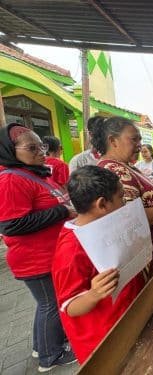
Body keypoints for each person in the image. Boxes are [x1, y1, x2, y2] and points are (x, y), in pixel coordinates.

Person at [0, 124, 77, 372]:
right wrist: (62, 211)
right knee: (50, 304)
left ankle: (42, 345)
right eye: (31, 148)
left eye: (41, 146)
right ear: (11, 151)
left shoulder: (34, 173)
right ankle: (50, 356)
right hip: (34, 259)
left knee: (47, 304)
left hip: (50, 254)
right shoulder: (11, 179)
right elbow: (11, 224)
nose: (41, 152)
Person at [52, 166, 145, 364]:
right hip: (104, 340)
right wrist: (94, 294)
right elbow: (69, 307)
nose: (125, 203)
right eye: (121, 198)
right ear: (102, 204)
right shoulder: (71, 249)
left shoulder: (109, 224)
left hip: (128, 320)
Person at [92, 116, 153, 279]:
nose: (139, 145)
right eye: (134, 139)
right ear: (113, 141)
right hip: (142, 254)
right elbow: (130, 218)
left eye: (140, 140)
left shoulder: (126, 166)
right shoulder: (114, 171)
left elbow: (144, 202)